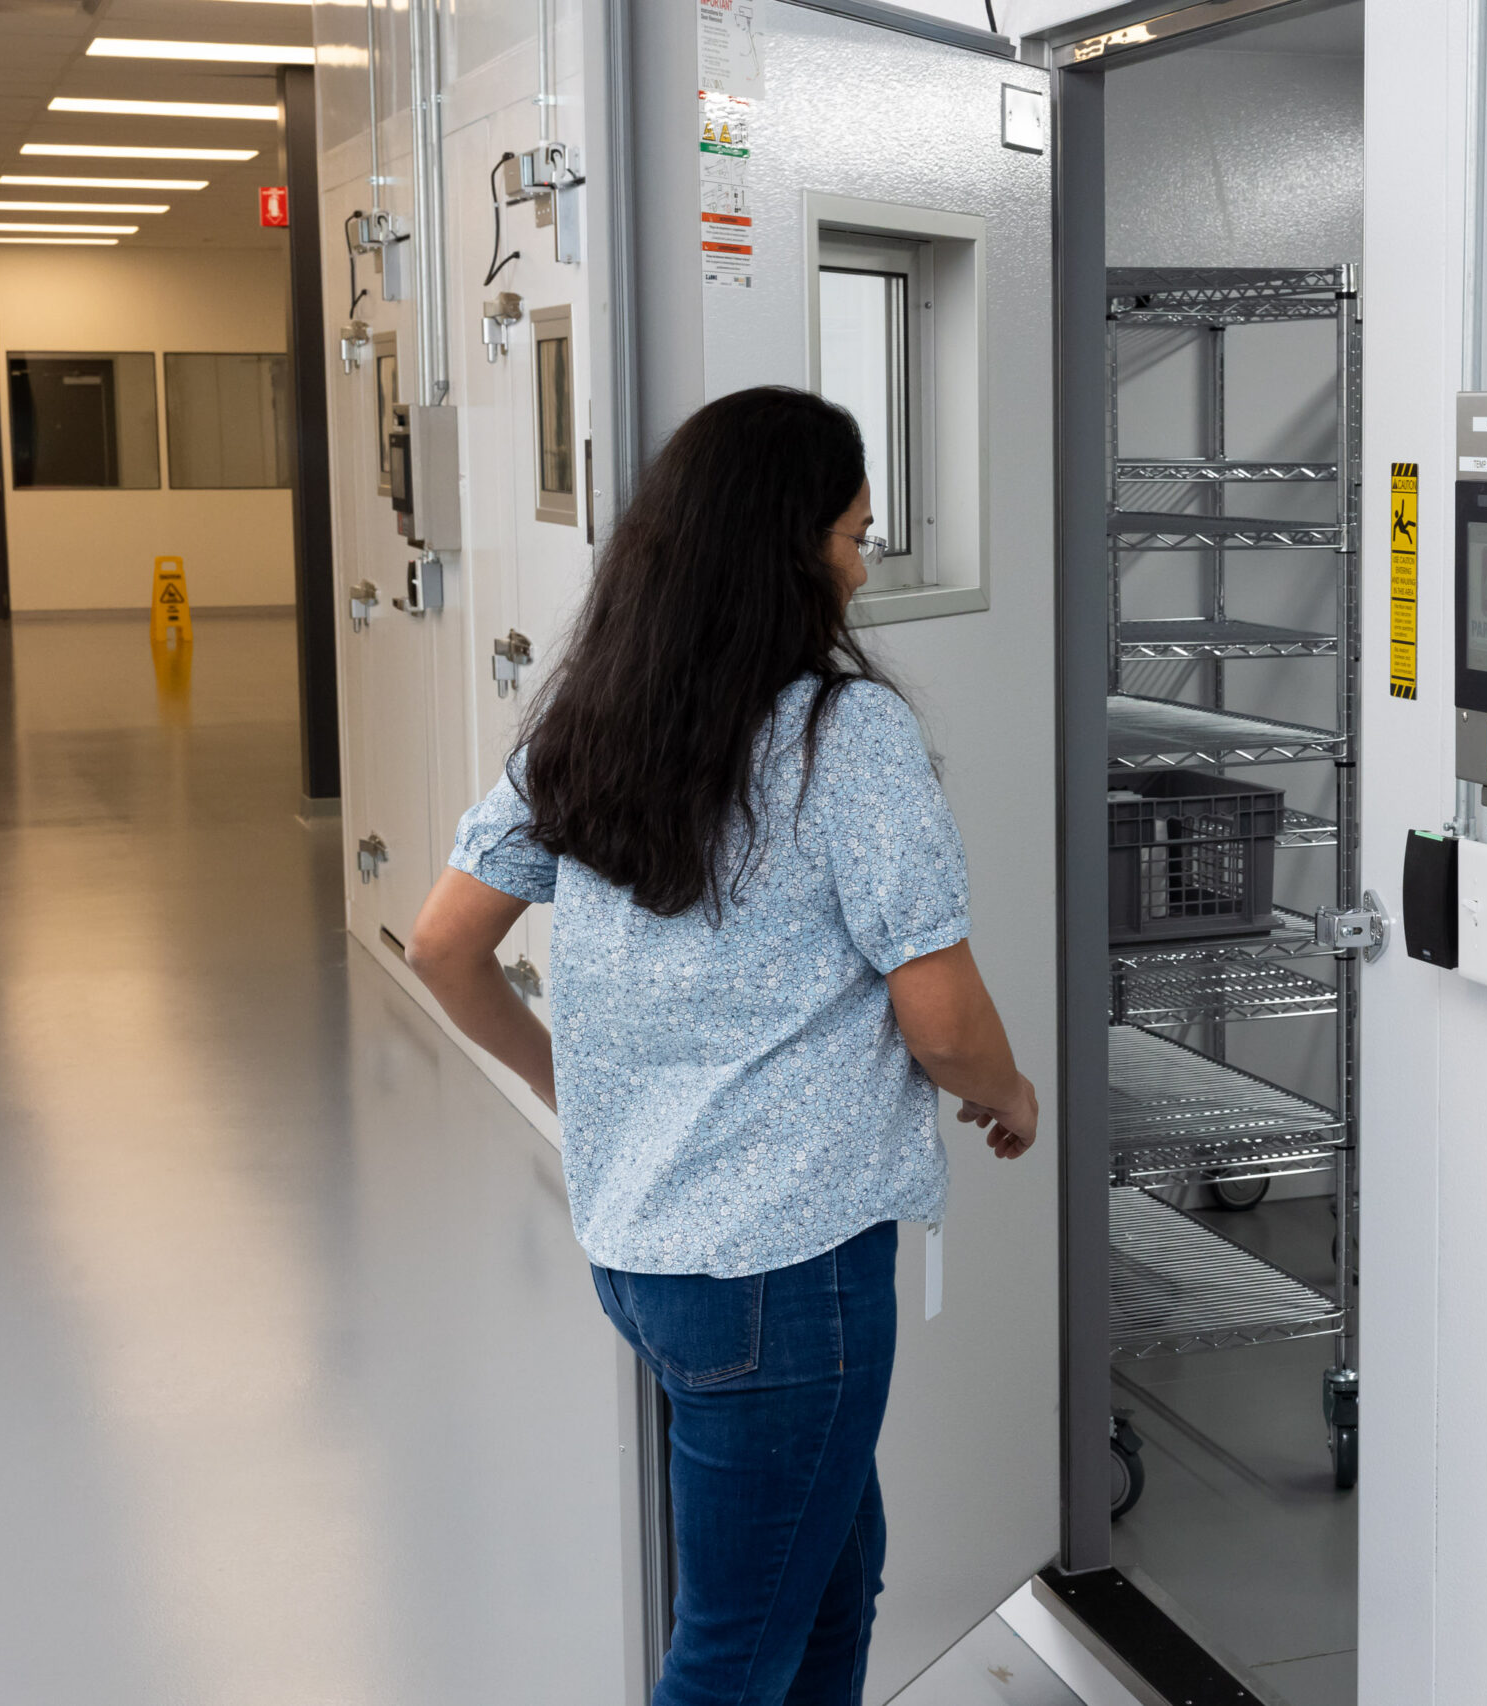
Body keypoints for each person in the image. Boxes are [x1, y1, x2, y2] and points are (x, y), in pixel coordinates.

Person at [403, 385, 1038, 1706]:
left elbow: (446, 945)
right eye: (855, 536)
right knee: (735, 1652)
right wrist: (1010, 1092)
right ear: (787, 549)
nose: (865, 568)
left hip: (647, 1250)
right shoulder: (841, 733)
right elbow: (945, 1016)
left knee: (834, 1574)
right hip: (785, 1276)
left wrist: (565, 1085)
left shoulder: (595, 715)